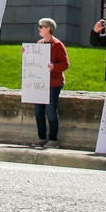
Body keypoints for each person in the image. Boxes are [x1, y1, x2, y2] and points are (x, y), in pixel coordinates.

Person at [30, 17, 68, 149]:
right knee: (38, 110)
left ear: (48, 29)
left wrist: (54, 67)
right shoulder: (39, 43)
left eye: (41, 26)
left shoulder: (57, 45)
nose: (39, 29)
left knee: (50, 110)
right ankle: (41, 137)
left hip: (53, 83)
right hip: (40, 82)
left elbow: (65, 64)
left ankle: (53, 138)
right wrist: (27, 53)